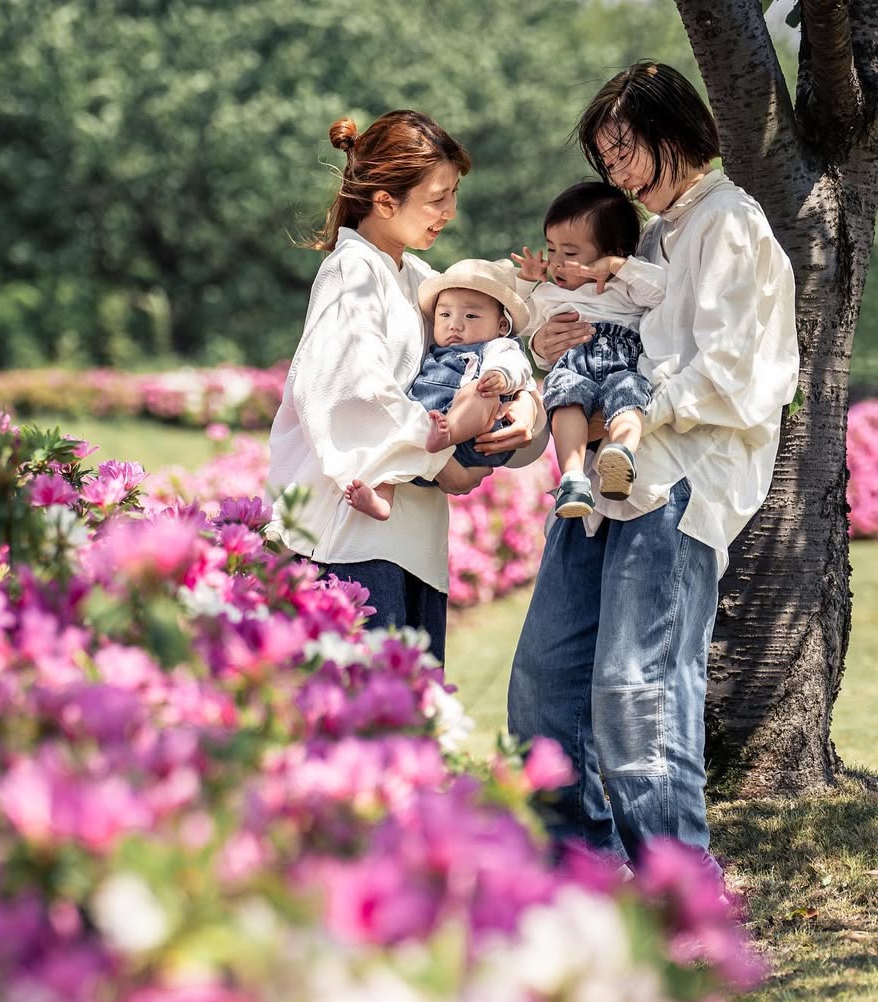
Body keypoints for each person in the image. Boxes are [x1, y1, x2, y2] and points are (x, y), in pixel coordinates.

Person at [508, 61, 798, 873]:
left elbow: (738, 370)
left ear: (679, 132)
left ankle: (681, 897)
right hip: (601, 487)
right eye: (608, 158)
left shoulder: (727, 222)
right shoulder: (660, 231)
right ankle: (586, 880)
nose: (619, 172)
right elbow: (601, 320)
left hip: (672, 486)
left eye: (628, 149)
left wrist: (634, 407)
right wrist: (550, 343)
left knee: (638, 698)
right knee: (541, 693)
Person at [267, 110, 549, 664]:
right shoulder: (353, 272)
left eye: (452, 195)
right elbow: (350, 394)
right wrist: (444, 462)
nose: (450, 212)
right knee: (364, 729)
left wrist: (525, 407)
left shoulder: (420, 280)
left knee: (403, 730)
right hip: (351, 543)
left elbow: (489, 352)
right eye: (437, 197)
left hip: (410, 546)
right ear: (384, 200)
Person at [344, 257, 542, 521]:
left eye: (471, 316)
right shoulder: (432, 351)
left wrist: (500, 376)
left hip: (472, 441)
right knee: (390, 441)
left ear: (501, 326)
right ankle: (382, 496)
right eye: (445, 315)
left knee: (478, 392)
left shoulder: (498, 346)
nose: (455, 325)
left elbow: (518, 366)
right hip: (424, 441)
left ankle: (449, 432)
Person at [512, 181, 666, 518]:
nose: (557, 263)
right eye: (551, 249)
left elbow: (661, 291)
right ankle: (572, 476)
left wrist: (617, 267)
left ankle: (621, 453)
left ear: (611, 253)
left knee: (628, 400)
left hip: (622, 365)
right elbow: (519, 319)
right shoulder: (550, 294)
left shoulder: (625, 288)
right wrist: (527, 280)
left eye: (570, 253)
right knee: (565, 400)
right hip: (573, 366)